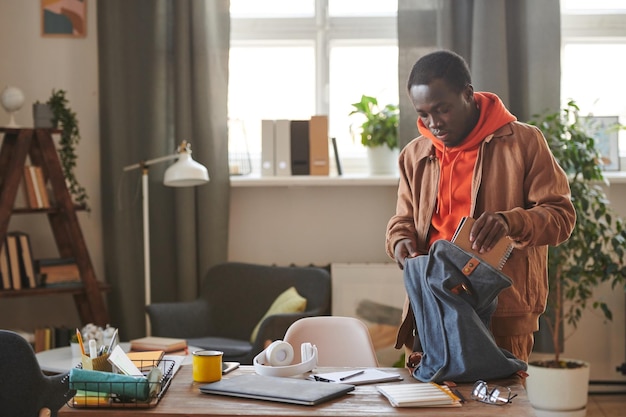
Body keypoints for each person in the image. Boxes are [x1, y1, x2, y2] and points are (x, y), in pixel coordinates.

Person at [386, 50, 576, 363]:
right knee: (430, 407)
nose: (433, 123)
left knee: (501, 407)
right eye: (423, 114)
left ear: (468, 94)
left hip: (503, 312)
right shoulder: (414, 154)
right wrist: (400, 241)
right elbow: (402, 220)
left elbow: (561, 217)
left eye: (442, 109)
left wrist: (510, 222)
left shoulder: (525, 142)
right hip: (429, 308)